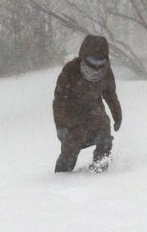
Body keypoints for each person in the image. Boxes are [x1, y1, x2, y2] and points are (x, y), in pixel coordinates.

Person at [52, 34, 122, 173]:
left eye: (100, 62)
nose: (96, 66)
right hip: (72, 116)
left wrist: (117, 115)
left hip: (95, 112)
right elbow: (60, 100)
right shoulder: (71, 70)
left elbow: (110, 95)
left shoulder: (106, 72)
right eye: (92, 61)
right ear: (83, 57)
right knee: (70, 150)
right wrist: (60, 125)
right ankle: (61, 177)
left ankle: (101, 169)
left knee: (105, 138)